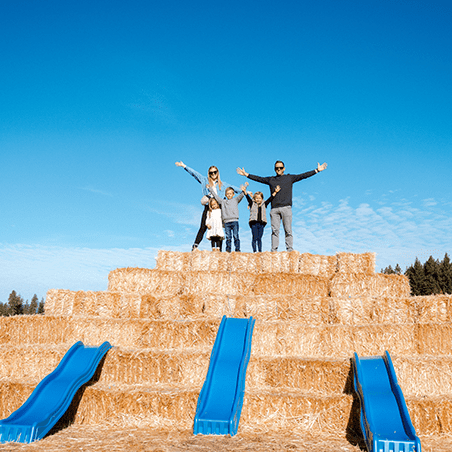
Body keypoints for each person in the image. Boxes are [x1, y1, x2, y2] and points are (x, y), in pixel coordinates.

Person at [237, 160, 327, 252]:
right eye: (277, 168)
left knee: (288, 230)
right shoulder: (271, 179)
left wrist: (317, 170)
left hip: (286, 208)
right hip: (274, 209)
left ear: (284, 168)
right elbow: (259, 179)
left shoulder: (289, 178)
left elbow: (303, 176)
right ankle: (273, 251)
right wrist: (246, 174)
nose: (278, 169)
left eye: (280, 168)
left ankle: (290, 250)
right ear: (275, 169)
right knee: (275, 231)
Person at [175, 161, 240, 250]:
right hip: (209, 206)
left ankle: (219, 250)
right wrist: (184, 166)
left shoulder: (223, 184)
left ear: (217, 173)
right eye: (211, 172)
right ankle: (195, 245)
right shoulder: (204, 180)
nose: (213, 174)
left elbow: (234, 188)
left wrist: (245, 192)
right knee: (203, 226)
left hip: (219, 208)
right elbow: (195, 174)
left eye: (215, 172)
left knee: (219, 227)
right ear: (209, 174)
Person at [208, 183, 247, 252]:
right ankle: (228, 251)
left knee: (236, 236)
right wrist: (210, 189)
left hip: (234, 221)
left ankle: (237, 250)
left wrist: (245, 187)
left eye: (230, 193)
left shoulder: (235, 200)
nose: (229, 195)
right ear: (225, 195)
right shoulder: (223, 202)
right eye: (227, 194)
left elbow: (242, 195)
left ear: (233, 194)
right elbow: (216, 197)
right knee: (228, 237)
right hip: (227, 222)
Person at [244, 185, 281, 252]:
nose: (258, 199)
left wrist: (275, 192)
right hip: (254, 223)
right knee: (254, 238)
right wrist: (245, 191)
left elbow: (271, 198)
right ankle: (255, 251)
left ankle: (260, 251)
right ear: (254, 199)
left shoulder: (264, 204)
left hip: (261, 223)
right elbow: (248, 198)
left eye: (260, 198)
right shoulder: (252, 204)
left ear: (262, 199)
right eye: (257, 198)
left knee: (259, 238)